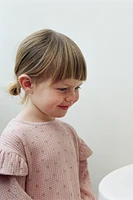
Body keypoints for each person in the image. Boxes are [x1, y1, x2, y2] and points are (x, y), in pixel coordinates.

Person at [0, 29, 97, 200]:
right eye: (63, 89)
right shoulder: (15, 138)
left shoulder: (69, 133)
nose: (73, 97)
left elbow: (83, 182)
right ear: (28, 83)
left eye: (77, 87)